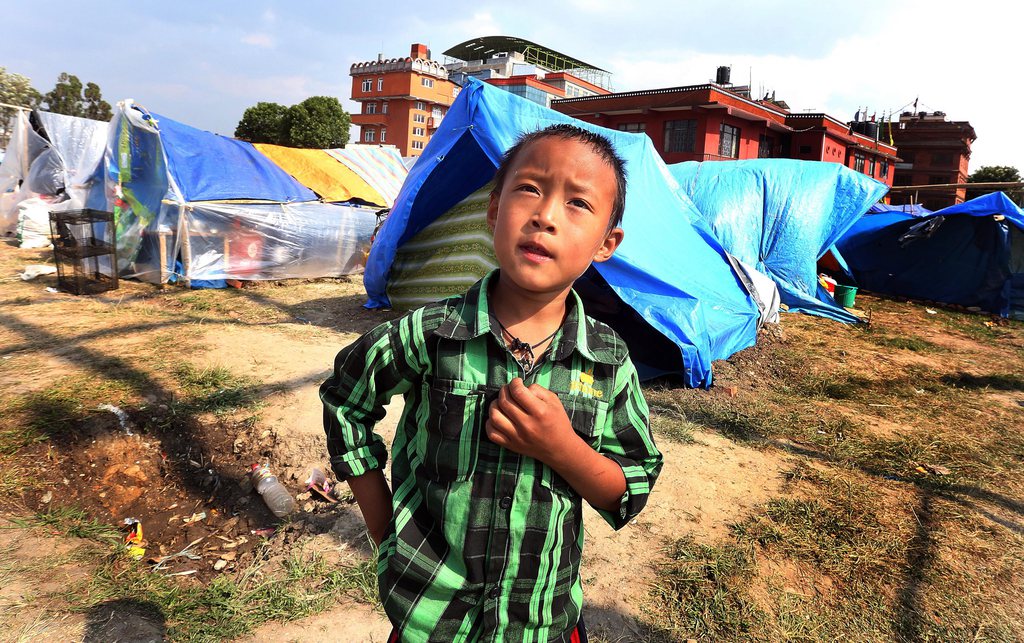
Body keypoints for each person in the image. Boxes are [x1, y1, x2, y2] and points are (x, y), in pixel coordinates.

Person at [320, 124, 663, 642]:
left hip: (543, 624)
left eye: (577, 204)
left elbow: (629, 488)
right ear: (492, 209)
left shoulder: (608, 362)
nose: (545, 216)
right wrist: (383, 529)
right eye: (529, 189)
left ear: (606, 244)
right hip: (430, 621)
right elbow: (346, 401)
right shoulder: (428, 334)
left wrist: (563, 449)